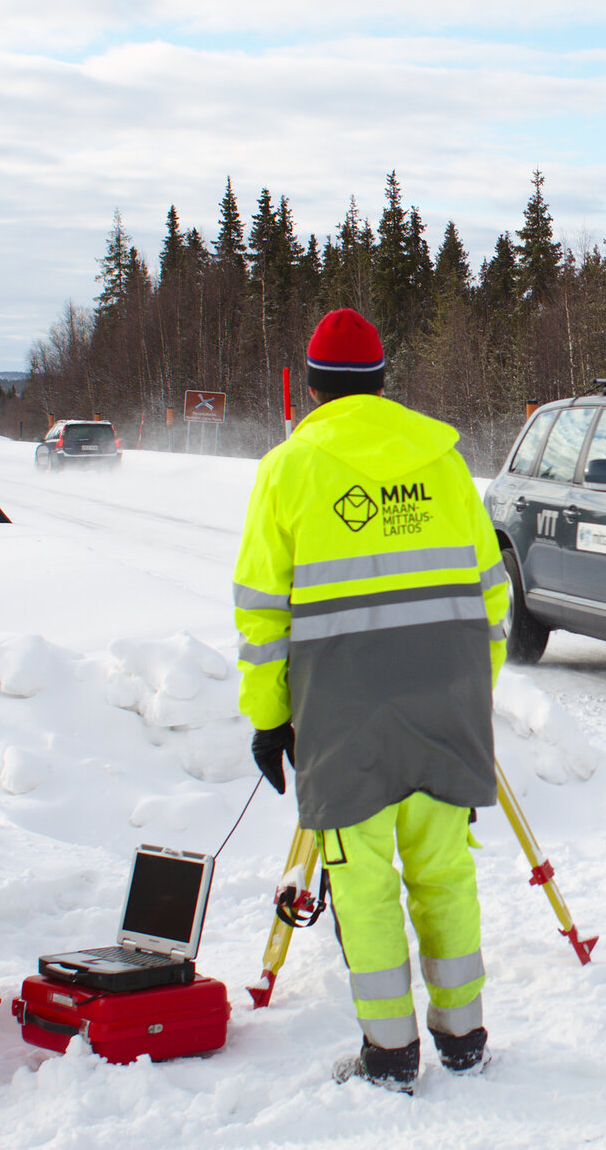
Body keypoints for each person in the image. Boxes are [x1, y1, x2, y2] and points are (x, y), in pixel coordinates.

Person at [233, 308, 510, 1093]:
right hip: (445, 708)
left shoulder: (289, 468)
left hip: (344, 719)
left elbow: (262, 616)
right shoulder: (445, 462)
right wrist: (471, 691)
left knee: (364, 882)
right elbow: (492, 596)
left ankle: (389, 1053)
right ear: (385, 379)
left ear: (314, 387)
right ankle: (463, 1035)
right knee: (445, 871)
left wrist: (268, 717)